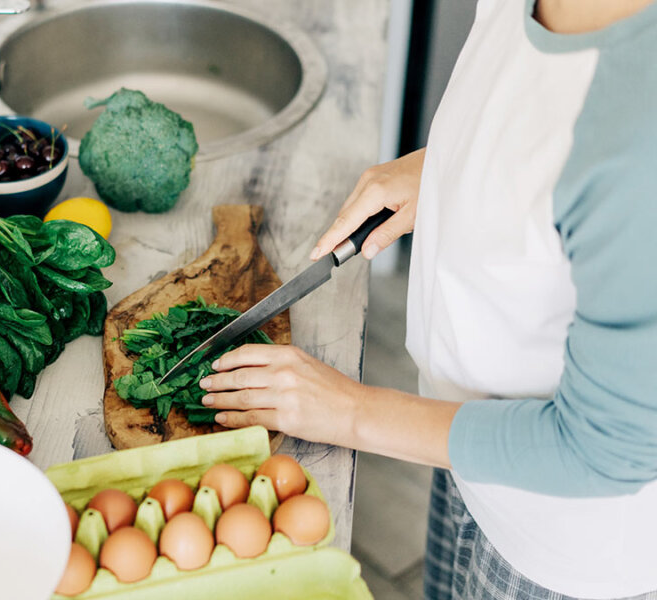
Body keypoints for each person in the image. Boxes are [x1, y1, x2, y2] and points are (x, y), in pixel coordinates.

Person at [197, 0, 657, 598]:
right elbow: (537, 116)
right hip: (464, 443)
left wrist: (348, 411)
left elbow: (604, 452)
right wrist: (452, 171)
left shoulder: (638, 137)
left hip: (561, 539)